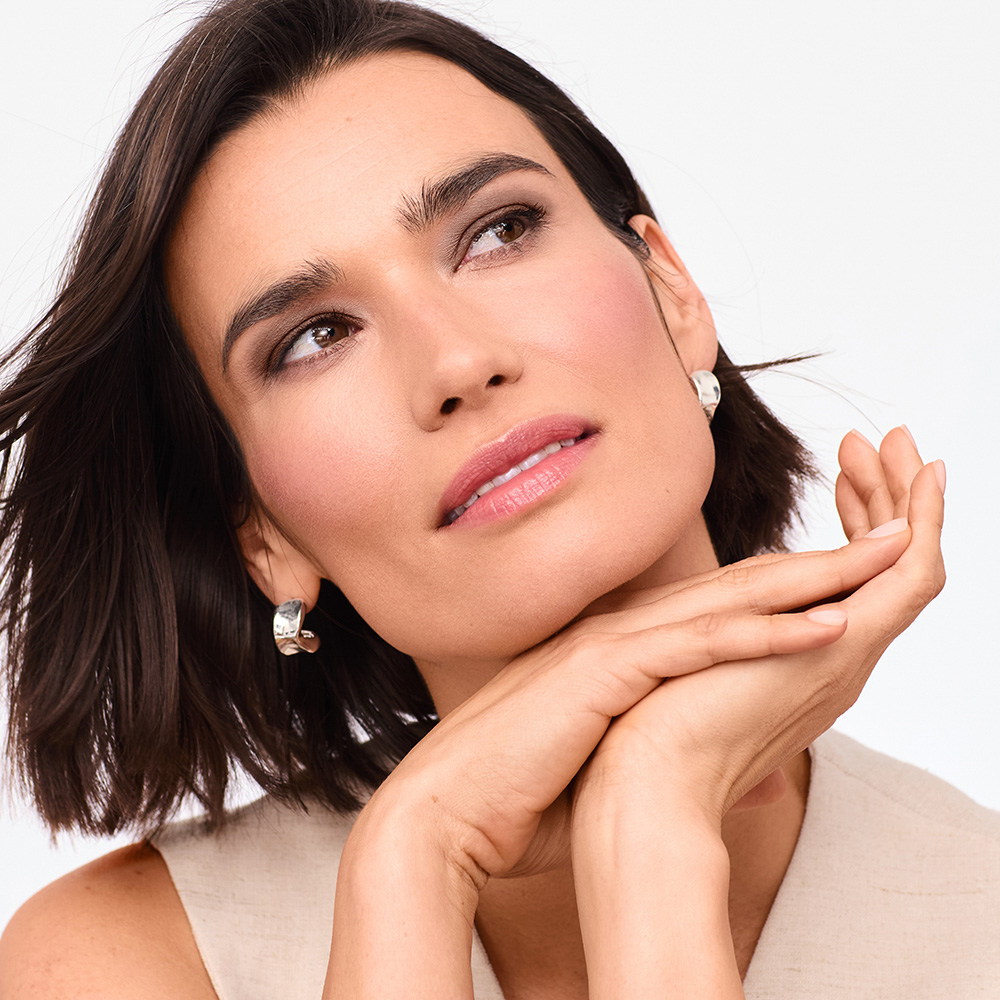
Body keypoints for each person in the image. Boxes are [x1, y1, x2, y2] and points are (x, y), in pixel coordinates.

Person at [0, 0, 995, 996]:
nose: (458, 362)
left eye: (498, 231)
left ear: (672, 291)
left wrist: (652, 807)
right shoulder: (120, 962)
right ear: (262, 538)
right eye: (316, 336)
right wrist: (417, 856)